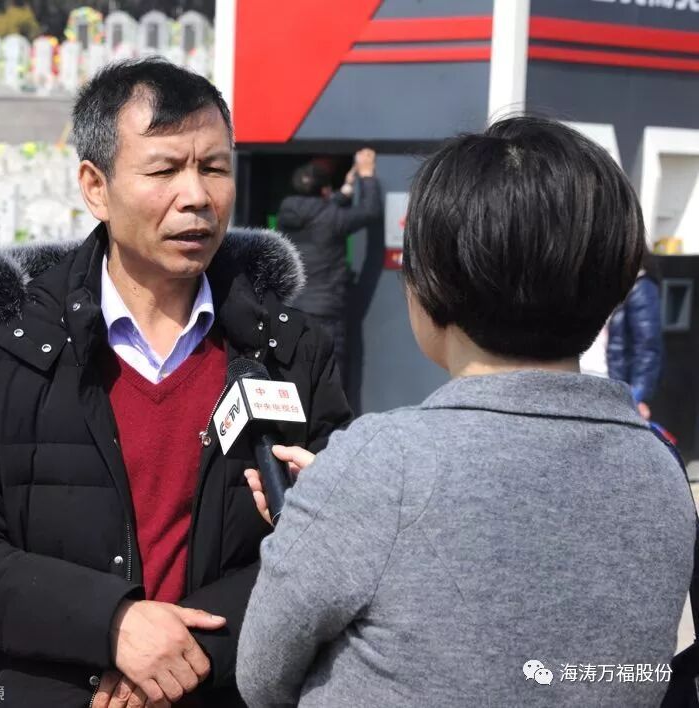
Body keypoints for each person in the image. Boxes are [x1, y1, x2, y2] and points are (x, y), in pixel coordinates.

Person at [0, 58, 351, 708]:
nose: (196, 196)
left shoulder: (289, 350)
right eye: (164, 170)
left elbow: (335, 547)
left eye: (214, 167)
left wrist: (192, 651)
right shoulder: (2, 348)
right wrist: (110, 624)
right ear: (96, 186)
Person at [237, 117, 695, 707]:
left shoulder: (379, 462)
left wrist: (321, 517)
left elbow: (262, 675)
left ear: (430, 283)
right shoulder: (660, 469)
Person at [276, 150, 383, 383]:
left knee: (294, 378)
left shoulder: (286, 211)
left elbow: (318, 212)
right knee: (328, 380)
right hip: (325, 315)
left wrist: (345, 190)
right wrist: (367, 175)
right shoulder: (332, 217)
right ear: (325, 191)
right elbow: (370, 211)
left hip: (291, 310)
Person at [607, 249, 663, 421]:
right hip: (594, 379)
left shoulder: (640, 285)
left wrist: (637, 395)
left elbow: (648, 345)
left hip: (614, 383)